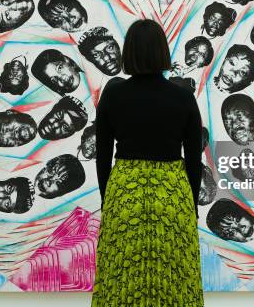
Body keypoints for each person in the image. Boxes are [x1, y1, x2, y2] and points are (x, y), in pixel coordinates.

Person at [91, 18, 204, 306]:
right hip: (172, 192)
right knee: (176, 278)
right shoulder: (182, 96)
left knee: (120, 278)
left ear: (127, 53)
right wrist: (190, 204)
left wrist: (109, 199)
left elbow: (102, 155)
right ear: (162, 53)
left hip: (125, 190)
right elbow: (193, 158)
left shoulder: (114, 94)